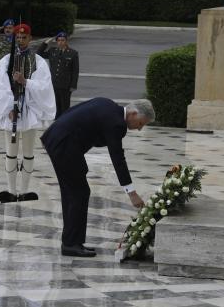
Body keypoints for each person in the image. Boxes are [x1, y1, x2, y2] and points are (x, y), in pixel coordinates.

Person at [41, 98, 154, 257]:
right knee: (78, 193)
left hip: (58, 139)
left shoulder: (109, 106)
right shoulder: (117, 123)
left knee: (73, 192)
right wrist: (131, 193)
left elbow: (74, 113)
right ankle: (71, 244)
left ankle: (71, 242)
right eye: (141, 123)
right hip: (63, 144)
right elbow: (117, 158)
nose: (140, 129)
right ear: (133, 113)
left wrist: (54, 133)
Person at [0, 23, 56, 203]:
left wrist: (26, 82)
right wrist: (9, 108)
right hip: (12, 113)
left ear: (30, 38)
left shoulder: (38, 61)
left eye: (24, 37)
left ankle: (24, 191)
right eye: (18, 37)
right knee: (11, 151)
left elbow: (44, 87)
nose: (21, 40)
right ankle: (11, 191)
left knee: (29, 152)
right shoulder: (6, 61)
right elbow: (0, 87)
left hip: (30, 112)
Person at [37, 31, 79, 119]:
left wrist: (73, 85)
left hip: (65, 85)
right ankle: (55, 121)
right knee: (54, 105)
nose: (60, 42)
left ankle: (64, 121)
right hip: (53, 84)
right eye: (59, 40)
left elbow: (75, 71)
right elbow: (39, 53)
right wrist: (45, 43)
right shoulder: (52, 51)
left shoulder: (73, 53)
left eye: (63, 40)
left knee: (64, 106)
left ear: (66, 41)